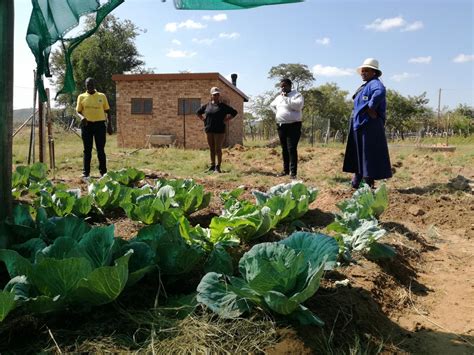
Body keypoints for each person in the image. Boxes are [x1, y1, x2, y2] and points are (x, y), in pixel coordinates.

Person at [343, 58, 392, 188]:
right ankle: (357, 181)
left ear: (374, 72)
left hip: (368, 125)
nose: (363, 73)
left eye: (366, 70)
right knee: (359, 153)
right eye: (362, 71)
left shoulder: (375, 84)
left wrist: (371, 107)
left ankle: (368, 183)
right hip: (360, 124)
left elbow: (380, 92)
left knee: (367, 154)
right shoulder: (366, 85)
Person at [76, 77, 113, 178]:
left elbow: (108, 111)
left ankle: (103, 172)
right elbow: (78, 111)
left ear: (94, 85)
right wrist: (82, 117)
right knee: (87, 150)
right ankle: (85, 173)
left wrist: (109, 125)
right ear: (86, 86)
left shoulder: (102, 96)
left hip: (100, 125)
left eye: (91, 84)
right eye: (88, 85)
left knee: (100, 149)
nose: (90, 86)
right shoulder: (81, 97)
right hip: (87, 126)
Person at [196, 87, 238, 173]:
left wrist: (226, 119)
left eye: (218, 94)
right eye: (214, 94)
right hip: (209, 130)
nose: (216, 96)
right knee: (211, 148)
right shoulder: (207, 106)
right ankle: (212, 166)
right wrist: (203, 119)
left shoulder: (223, 106)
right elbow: (198, 112)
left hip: (219, 131)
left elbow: (234, 112)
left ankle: (218, 167)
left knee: (218, 149)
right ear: (211, 95)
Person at [270, 78, 304, 179]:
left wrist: (286, 98)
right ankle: (285, 170)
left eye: (284, 86)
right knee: (284, 149)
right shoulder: (279, 97)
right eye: (281, 86)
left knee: (291, 148)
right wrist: (278, 114)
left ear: (290, 86)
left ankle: (293, 173)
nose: (282, 88)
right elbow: (271, 105)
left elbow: (298, 107)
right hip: (281, 125)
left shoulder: (297, 95)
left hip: (293, 125)